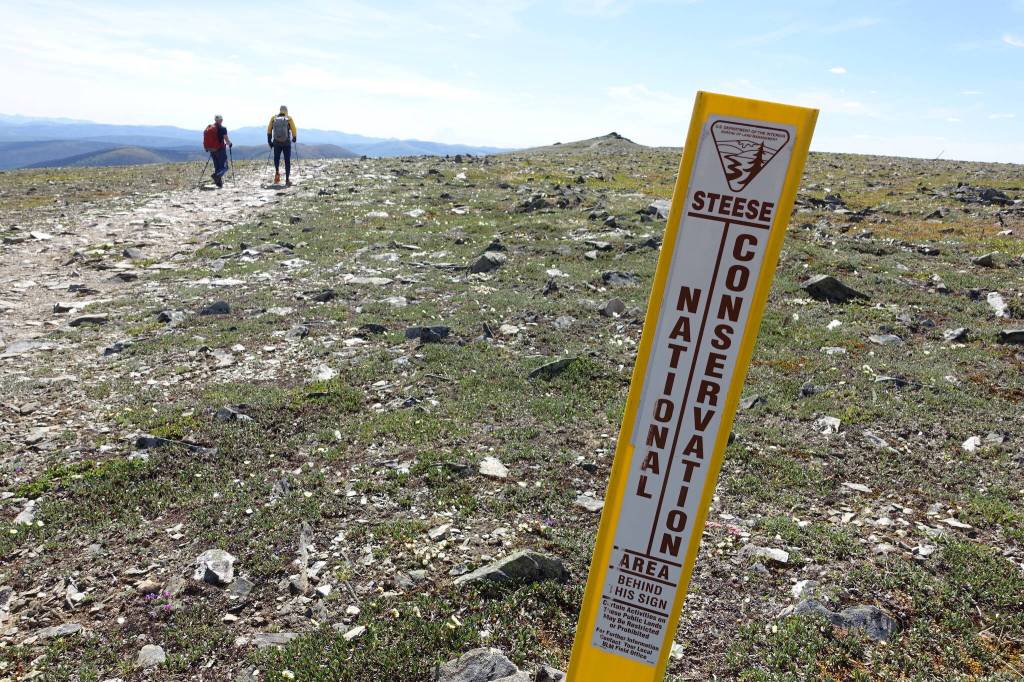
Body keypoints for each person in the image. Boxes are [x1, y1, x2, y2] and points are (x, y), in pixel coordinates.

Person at [267, 105, 298, 186]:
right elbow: (294, 129)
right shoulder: (289, 119)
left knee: (276, 158)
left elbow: (269, 130)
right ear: (286, 111)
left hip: (276, 142)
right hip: (286, 142)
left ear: (280, 110)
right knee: (287, 160)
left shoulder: (273, 118)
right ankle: (287, 180)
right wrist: (294, 137)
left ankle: (277, 173)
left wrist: (269, 141)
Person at [203, 115, 232, 188]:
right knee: (225, 167)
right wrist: (230, 144)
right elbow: (226, 140)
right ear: (221, 120)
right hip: (220, 149)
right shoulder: (222, 128)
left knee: (217, 167)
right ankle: (216, 176)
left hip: (212, 150)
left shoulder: (210, 128)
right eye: (221, 119)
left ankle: (219, 184)